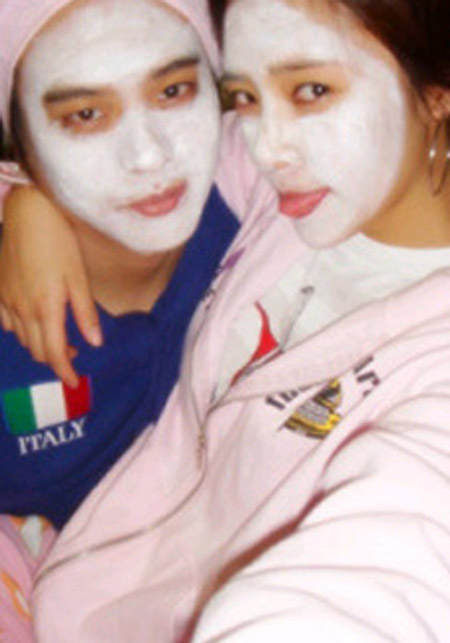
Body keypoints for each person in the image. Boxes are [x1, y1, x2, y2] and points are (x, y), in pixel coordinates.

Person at [3, 0, 450, 640]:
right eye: (243, 96)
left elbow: (403, 553)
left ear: (437, 90)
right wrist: (25, 199)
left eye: (312, 90)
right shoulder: (283, 196)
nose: (268, 144)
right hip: (70, 592)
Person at [0, 0, 248, 533]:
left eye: (173, 91)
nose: (148, 156)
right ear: (22, 145)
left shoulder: (260, 207)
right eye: (86, 115)